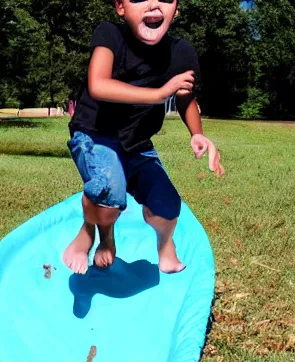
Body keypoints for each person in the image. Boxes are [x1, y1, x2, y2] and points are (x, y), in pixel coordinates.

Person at [64, 0, 224, 275]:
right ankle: (91, 232)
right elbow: (98, 84)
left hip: (137, 144)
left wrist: (198, 134)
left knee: (167, 207)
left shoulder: (181, 51)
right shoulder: (110, 35)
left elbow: (185, 96)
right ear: (121, 7)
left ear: (177, 8)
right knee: (107, 196)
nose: (152, 4)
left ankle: (165, 246)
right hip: (95, 135)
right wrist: (160, 94)